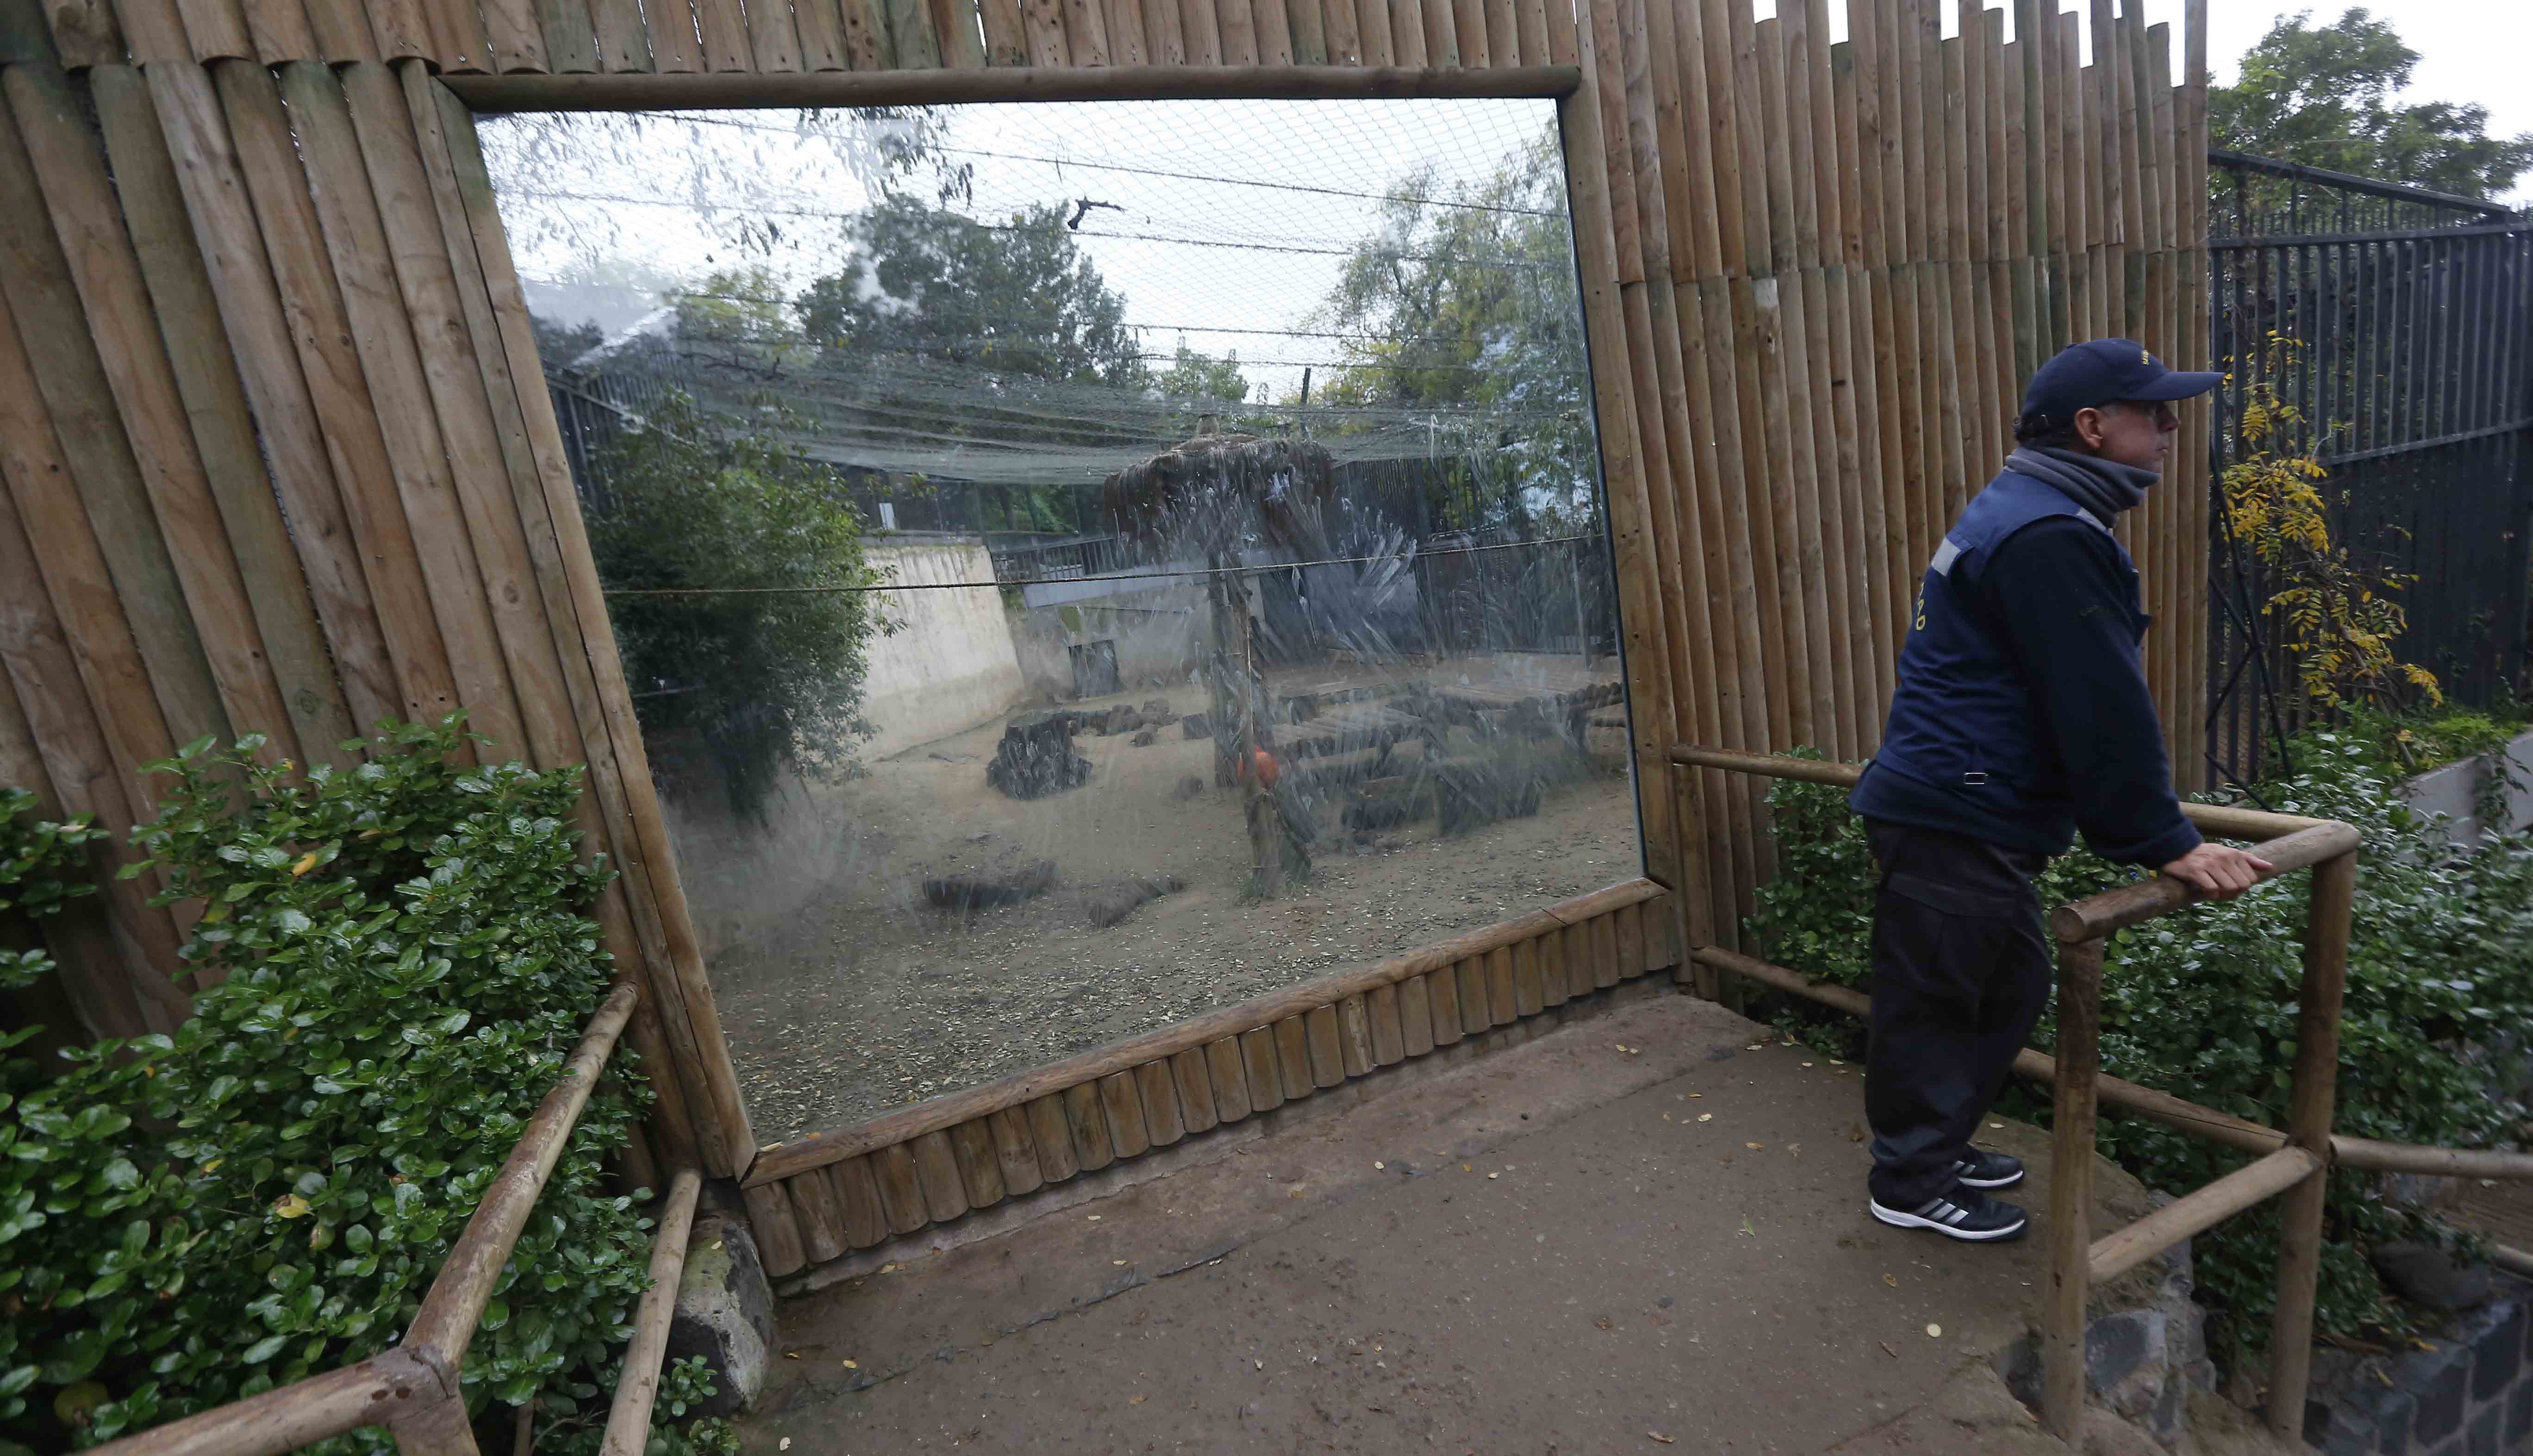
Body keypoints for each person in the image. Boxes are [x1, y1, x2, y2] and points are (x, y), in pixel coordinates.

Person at [1847, 338, 2274, 1243]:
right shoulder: (2048, 535)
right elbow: (2100, 704)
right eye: (2150, 411)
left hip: (1957, 799)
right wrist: (2163, 838)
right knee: (1943, 999)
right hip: (1953, 808)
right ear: (2091, 427)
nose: (2168, 427)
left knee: (1997, 982)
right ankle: (1910, 1180)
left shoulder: (2034, 511)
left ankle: (1936, 1145)